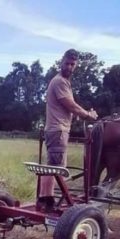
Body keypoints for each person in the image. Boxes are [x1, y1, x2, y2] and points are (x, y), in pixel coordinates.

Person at [38, 49, 98, 212]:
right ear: (61, 62)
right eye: (67, 63)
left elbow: (66, 107)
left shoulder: (62, 82)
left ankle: (45, 199)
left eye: (73, 65)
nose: (70, 67)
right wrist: (87, 115)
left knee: (51, 165)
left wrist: (75, 116)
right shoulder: (60, 82)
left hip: (56, 129)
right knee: (57, 167)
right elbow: (70, 104)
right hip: (58, 131)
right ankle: (47, 200)